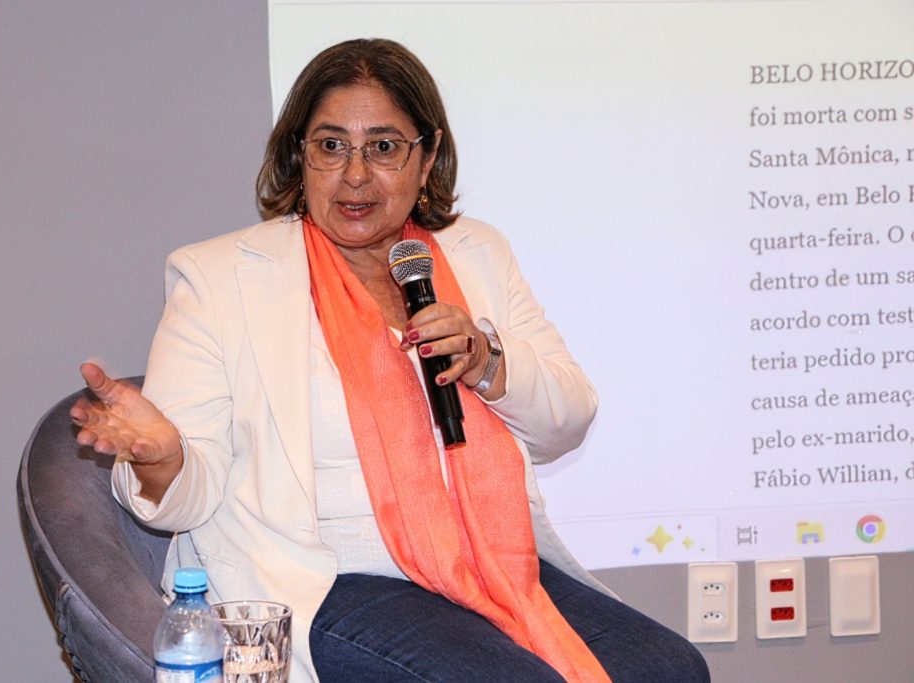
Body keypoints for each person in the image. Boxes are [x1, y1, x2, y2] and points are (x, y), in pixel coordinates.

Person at [70, 38, 709, 683]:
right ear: (299, 155)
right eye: (331, 145)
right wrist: (163, 457)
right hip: (328, 578)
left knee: (670, 669)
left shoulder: (477, 253)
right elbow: (189, 497)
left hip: (486, 562)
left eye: (383, 147)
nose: (355, 174)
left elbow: (565, 423)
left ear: (427, 158)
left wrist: (486, 362)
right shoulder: (220, 277)